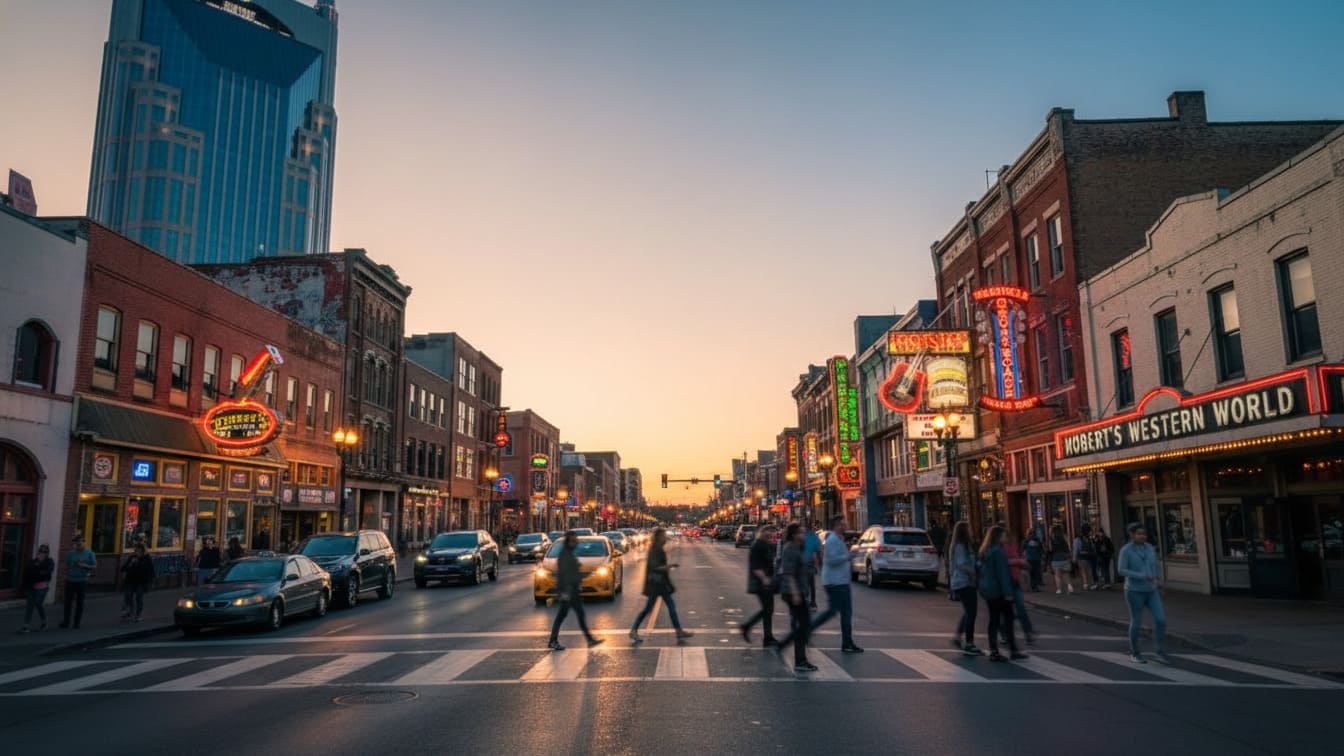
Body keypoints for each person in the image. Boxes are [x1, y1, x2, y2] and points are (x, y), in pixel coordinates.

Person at [807, 515, 863, 653]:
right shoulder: (832, 540)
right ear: (837, 525)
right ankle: (808, 630)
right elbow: (831, 560)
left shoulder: (838, 539)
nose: (846, 525)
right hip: (835, 582)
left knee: (844, 613)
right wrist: (849, 556)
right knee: (835, 612)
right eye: (844, 523)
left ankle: (847, 642)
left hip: (841, 581)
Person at [1118, 523, 1169, 664]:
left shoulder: (1150, 548)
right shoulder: (1126, 550)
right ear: (1132, 535)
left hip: (1152, 589)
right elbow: (1121, 570)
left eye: (1144, 534)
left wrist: (1159, 581)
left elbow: (1155, 566)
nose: (1142, 536)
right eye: (1139, 533)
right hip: (1134, 590)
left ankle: (1159, 650)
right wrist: (1142, 575)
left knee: (1160, 620)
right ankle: (1135, 652)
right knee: (1136, 621)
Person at [630, 528, 693, 643]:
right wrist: (669, 566)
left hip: (661, 584)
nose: (665, 538)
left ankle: (679, 631)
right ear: (658, 537)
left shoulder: (658, 549)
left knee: (671, 608)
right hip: (655, 585)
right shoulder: (655, 550)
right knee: (648, 609)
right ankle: (633, 630)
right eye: (663, 536)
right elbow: (655, 567)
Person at [547, 531, 604, 651]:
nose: (576, 542)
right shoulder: (565, 555)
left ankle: (589, 639)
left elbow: (572, 572)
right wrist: (565, 591)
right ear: (568, 542)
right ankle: (553, 641)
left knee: (578, 615)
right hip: (568, 591)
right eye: (574, 541)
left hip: (572, 590)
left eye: (576, 540)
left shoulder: (568, 553)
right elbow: (563, 574)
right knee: (562, 615)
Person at [979, 525, 1027, 662]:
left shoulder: (986, 551)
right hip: (999, 592)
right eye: (1004, 535)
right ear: (998, 537)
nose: (1006, 538)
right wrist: (1008, 593)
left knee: (994, 621)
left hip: (989, 591)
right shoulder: (998, 552)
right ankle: (1012, 649)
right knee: (1008, 620)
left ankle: (994, 649)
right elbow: (1002, 574)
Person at [773, 523, 816, 673]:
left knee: (802, 625)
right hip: (793, 592)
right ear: (794, 535)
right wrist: (796, 593)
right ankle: (798, 659)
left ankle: (798, 656)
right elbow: (789, 573)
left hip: (797, 591)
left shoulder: (796, 547)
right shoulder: (790, 548)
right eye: (801, 533)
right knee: (803, 625)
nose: (804, 536)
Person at [947, 521, 982, 656]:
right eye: (969, 529)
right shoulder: (961, 547)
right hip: (964, 582)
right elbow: (961, 565)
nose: (971, 531)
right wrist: (974, 572)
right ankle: (969, 643)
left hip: (964, 582)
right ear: (964, 532)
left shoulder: (964, 546)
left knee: (968, 612)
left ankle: (958, 637)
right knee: (971, 613)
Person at [739, 524, 778, 647]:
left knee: (768, 609)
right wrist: (764, 579)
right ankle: (760, 633)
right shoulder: (758, 545)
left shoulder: (766, 544)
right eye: (768, 531)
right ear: (762, 532)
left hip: (766, 581)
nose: (771, 534)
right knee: (768, 609)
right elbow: (756, 566)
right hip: (761, 583)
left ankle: (766, 636)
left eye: (772, 531)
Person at [998, 524, 1036, 645]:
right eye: (1004, 535)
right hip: (1004, 583)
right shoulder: (997, 548)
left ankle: (1028, 632)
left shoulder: (1012, 545)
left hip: (1014, 581)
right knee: (1006, 611)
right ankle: (1004, 634)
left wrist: (1023, 564)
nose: (1007, 537)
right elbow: (1001, 562)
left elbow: (1016, 558)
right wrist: (1018, 561)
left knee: (1021, 608)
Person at [59, 535, 97, 629]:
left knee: (80, 603)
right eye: (76, 542)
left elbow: (94, 566)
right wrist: (68, 572)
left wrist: (85, 565)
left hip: (82, 580)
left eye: (80, 542)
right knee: (67, 602)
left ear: (84, 542)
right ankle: (66, 622)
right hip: (70, 580)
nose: (78, 544)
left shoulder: (89, 553)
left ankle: (77, 623)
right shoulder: (70, 554)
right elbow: (67, 565)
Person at [18, 544, 55, 633]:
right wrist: (25, 585)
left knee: (38, 603)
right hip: (31, 586)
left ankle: (44, 621)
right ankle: (26, 625)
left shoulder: (49, 562)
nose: (41, 553)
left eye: (44, 552)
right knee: (29, 605)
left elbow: (46, 573)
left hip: (42, 587)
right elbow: (27, 573)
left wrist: (37, 571)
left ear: (47, 553)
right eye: (40, 551)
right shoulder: (32, 562)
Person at [120, 543, 155, 622]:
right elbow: (123, 568)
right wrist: (131, 564)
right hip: (130, 581)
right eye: (136, 550)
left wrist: (150, 582)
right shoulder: (132, 557)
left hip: (141, 582)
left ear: (142, 551)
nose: (137, 552)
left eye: (139, 550)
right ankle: (131, 611)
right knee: (128, 597)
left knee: (139, 598)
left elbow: (150, 571)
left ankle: (138, 615)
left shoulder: (146, 559)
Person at [801, 520, 822, 610]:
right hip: (809, 562)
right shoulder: (813, 536)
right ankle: (812, 603)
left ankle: (806, 601)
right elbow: (818, 549)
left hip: (801, 563)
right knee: (811, 583)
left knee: (804, 583)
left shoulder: (800, 536)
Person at [1048, 525, 1074, 594]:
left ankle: (1059, 589)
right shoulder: (1064, 537)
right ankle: (1069, 585)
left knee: (1057, 575)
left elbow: (1050, 549)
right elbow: (1068, 547)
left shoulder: (1051, 539)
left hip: (1055, 558)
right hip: (1065, 557)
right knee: (1066, 574)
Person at [1074, 525, 1097, 590]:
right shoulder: (1090, 539)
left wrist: (1074, 558)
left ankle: (1085, 583)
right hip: (1089, 557)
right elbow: (1093, 548)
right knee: (1089, 571)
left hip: (1081, 557)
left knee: (1083, 571)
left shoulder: (1078, 539)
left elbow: (1076, 550)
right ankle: (1092, 584)